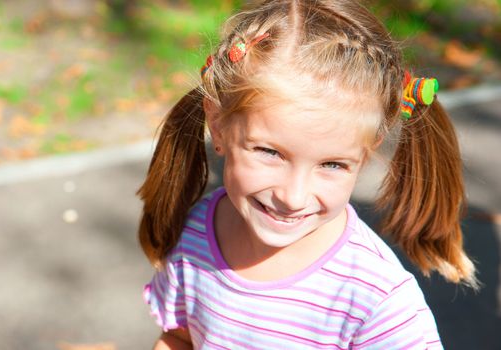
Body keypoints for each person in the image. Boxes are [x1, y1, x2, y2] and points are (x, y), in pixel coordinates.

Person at [137, 0, 479, 348]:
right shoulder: (194, 233)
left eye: (332, 165)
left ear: (367, 151)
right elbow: (179, 337)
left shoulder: (376, 301)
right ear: (218, 125)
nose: (293, 196)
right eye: (270, 152)